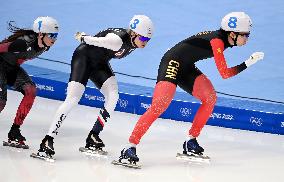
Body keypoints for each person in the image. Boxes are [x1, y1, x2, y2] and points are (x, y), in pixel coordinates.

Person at [118, 12, 264, 163]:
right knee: (159, 105)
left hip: (186, 66)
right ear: (233, 34)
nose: (247, 38)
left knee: (210, 98)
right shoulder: (218, 41)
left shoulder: (224, 40)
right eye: (245, 35)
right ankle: (129, 146)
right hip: (172, 62)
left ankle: (190, 141)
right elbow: (225, 73)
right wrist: (248, 63)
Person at [36, 15, 154, 158]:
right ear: (133, 33)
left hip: (100, 63)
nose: (145, 42)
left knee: (113, 95)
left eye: (148, 40)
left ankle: (93, 135)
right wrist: (83, 37)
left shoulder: (133, 41)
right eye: (143, 39)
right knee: (73, 99)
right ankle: (48, 139)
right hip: (83, 58)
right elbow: (95, 40)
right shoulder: (117, 40)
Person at [0, 17, 59, 148]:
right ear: (41, 34)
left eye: (56, 36)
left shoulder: (45, 45)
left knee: (30, 91)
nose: (54, 39)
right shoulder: (23, 43)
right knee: (1, 103)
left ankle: (14, 131)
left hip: (12, 67)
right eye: (52, 35)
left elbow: (20, 58)